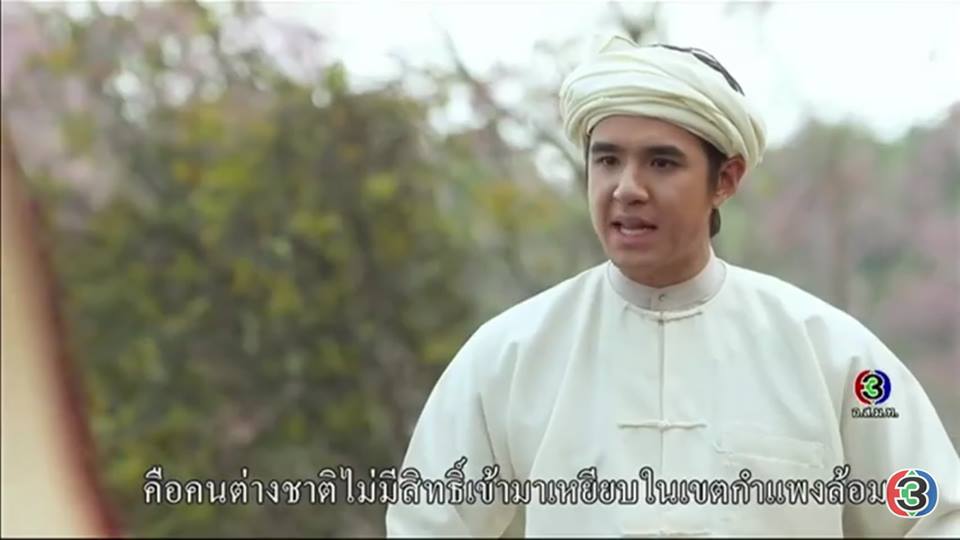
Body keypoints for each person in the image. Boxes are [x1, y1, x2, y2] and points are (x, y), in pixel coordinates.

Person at [385, 34, 960, 537]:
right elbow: (426, 524)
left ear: (725, 179)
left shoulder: (834, 353)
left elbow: (936, 517)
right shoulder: (508, 355)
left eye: (661, 163)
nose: (626, 189)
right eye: (607, 161)